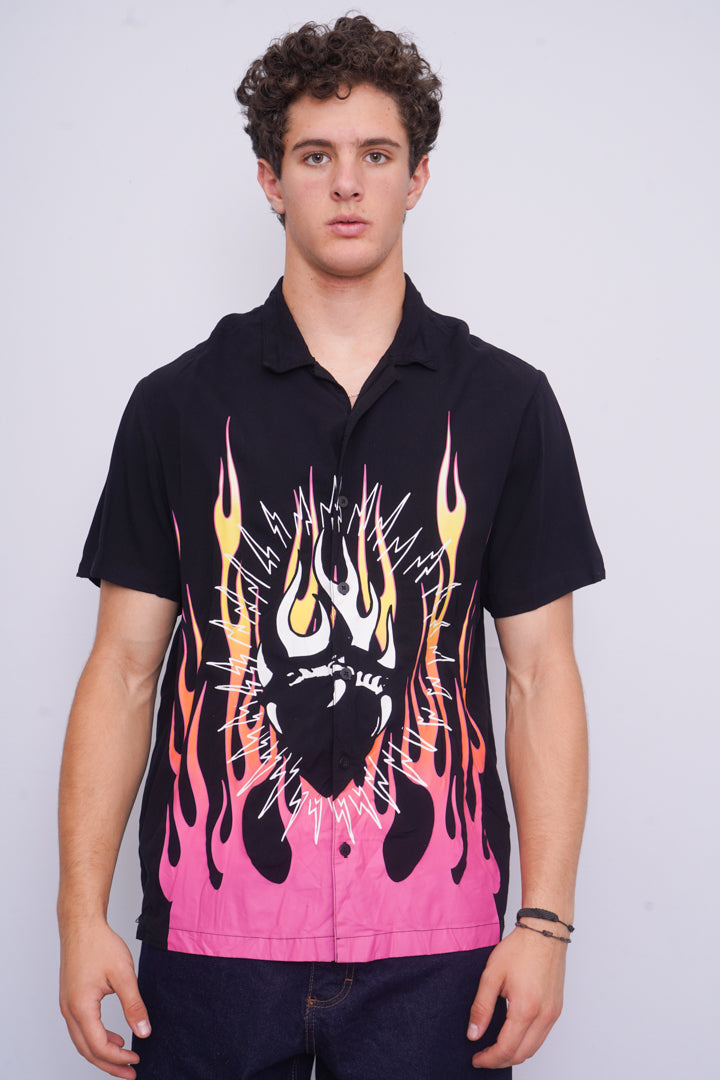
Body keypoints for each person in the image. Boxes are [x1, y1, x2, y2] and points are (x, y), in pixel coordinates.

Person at [58, 15, 604, 1080]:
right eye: (315, 156)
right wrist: (81, 917)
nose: (347, 184)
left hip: (438, 947)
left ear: (418, 177)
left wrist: (544, 923)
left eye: (377, 155)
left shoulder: (507, 403)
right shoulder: (176, 406)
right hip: (211, 939)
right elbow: (122, 669)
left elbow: (543, 674)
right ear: (270, 179)